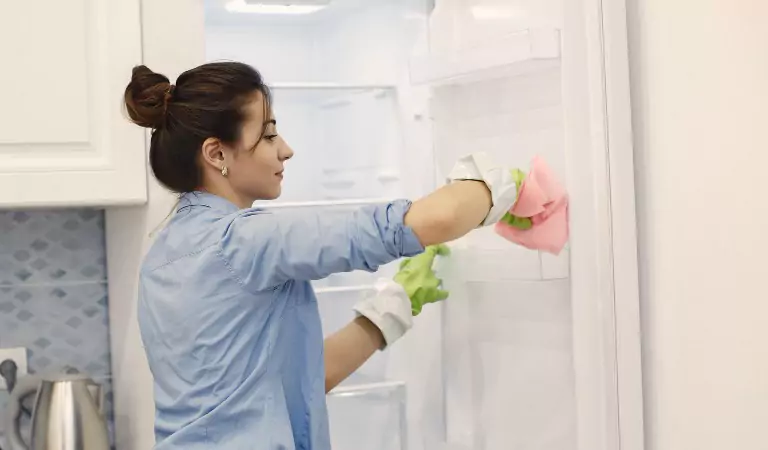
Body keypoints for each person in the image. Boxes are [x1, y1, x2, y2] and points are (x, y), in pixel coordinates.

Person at [124, 62, 520, 449]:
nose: (286, 150)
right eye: (268, 134)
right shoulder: (245, 240)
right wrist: (506, 185)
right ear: (216, 154)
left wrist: (393, 306)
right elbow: (433, 219)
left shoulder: (160, 257)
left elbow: (299, 382)